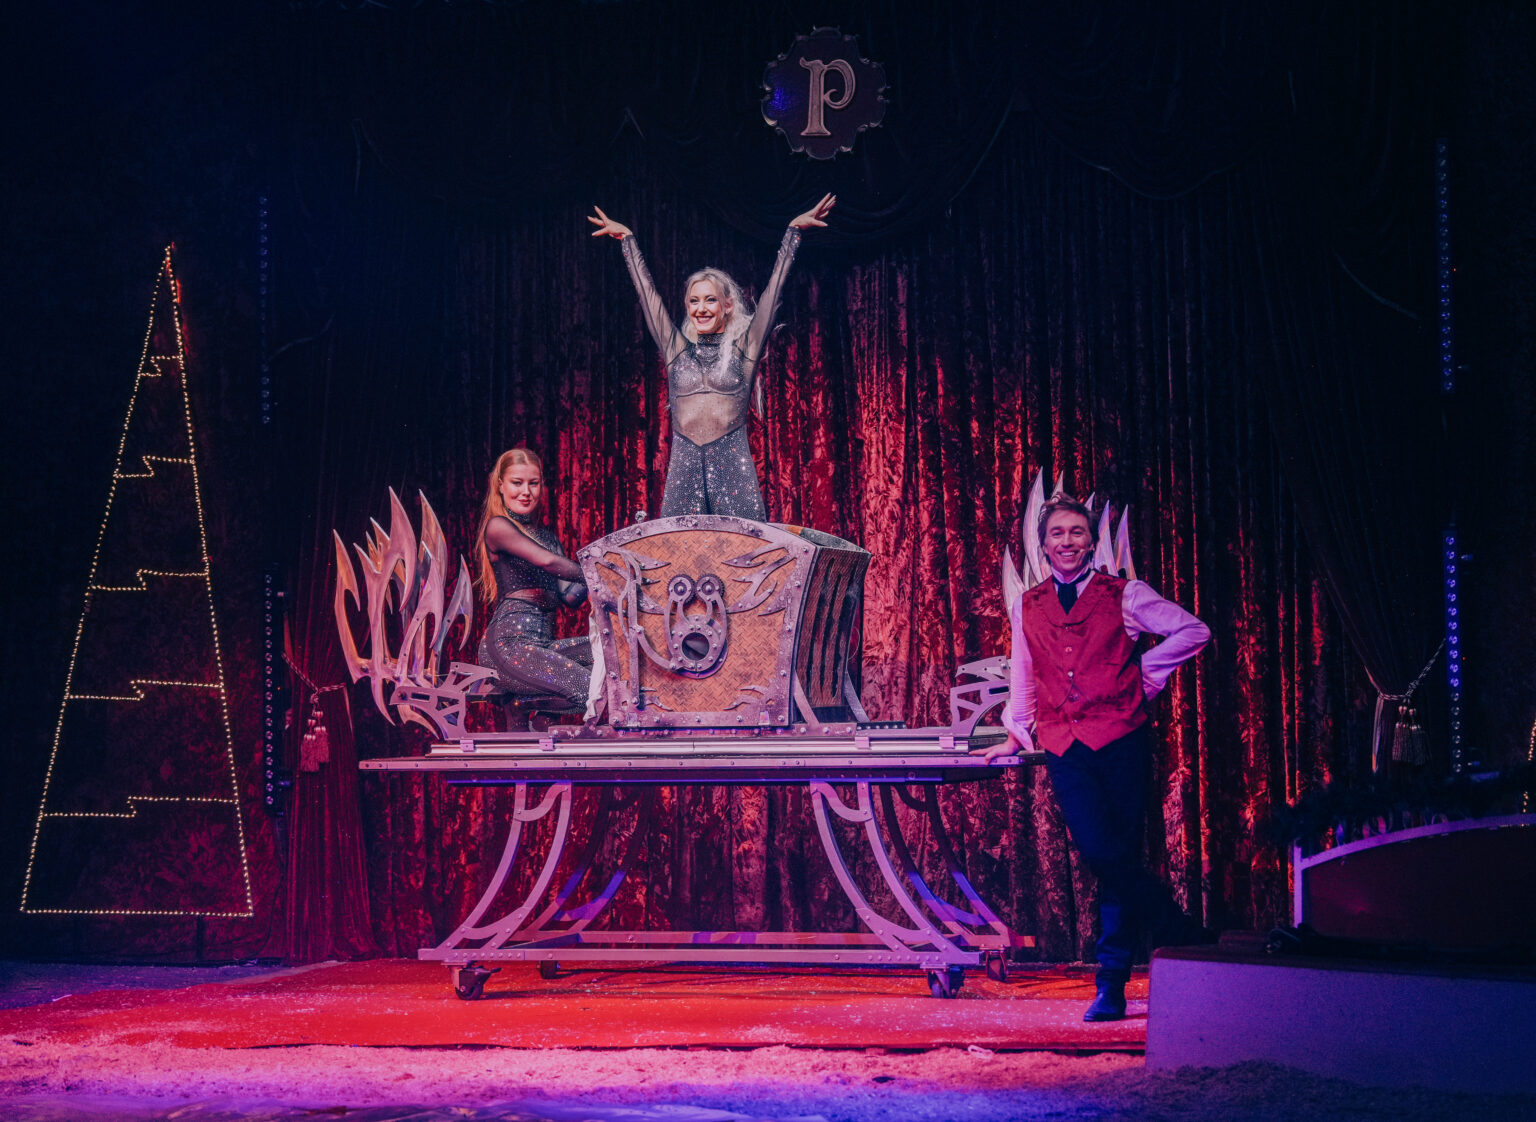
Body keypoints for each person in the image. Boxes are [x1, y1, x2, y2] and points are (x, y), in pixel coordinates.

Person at [977, 493, 1211, 1021]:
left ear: (1091, 541)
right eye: (1057, 534)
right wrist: (1016, 733)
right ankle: (1177, 928)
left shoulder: (1124, 594)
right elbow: (1024, 673)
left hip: (1122, 740)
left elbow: (1193, 631)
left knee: (1117, 858)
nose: (1067, 542)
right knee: (1102, 852)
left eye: (1076, 532)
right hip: (1065, 746)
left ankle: (1111, 983)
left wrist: (1143, 678)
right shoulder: (1028, 604)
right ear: (1043, 545)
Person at [588, 194, 836, 520]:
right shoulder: (676, 351)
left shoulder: (744, 351)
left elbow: (772, 295)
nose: (701, 308)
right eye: (694, 301)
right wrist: (628, 242)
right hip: (684, 471)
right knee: (679, 548)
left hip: (733, 470)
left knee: (745, 548)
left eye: (710, 300)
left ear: (727, 306)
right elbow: (648, 297)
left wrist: (793, 234)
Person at [473, 447, 592, 723]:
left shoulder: (547, 538)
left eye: (533, 483)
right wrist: (598, 572)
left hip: (542, 646)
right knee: (587, 688)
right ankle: (520, 705)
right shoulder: (498, 527)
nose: (525, 492)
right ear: (500, 486)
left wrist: (605, 569)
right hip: (508, 646)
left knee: (611, 659)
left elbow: (570, 596)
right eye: (517, 483)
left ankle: (526, 706)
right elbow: (548, 562)